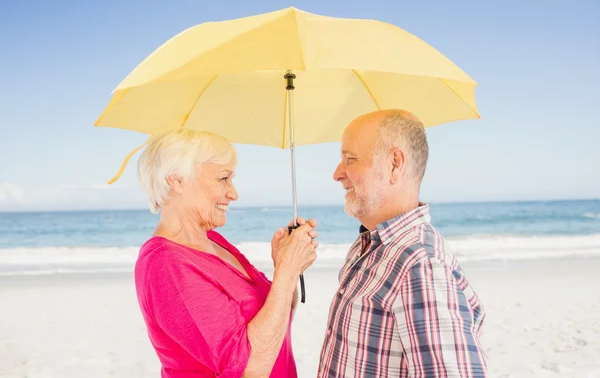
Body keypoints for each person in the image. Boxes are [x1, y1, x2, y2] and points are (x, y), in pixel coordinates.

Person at [133, 128, 318, 378]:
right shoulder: (166, 264)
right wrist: (286, 271)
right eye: (223, 179)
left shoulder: (212, 239)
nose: (234, 193)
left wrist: (286, 265)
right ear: (177, 180)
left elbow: (276, 322)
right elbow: (250, 369)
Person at [318, 109, 487, 377]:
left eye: (350, 159)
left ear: (395, 164)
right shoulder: (369, 246)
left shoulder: (420, 265)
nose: (337, 174)